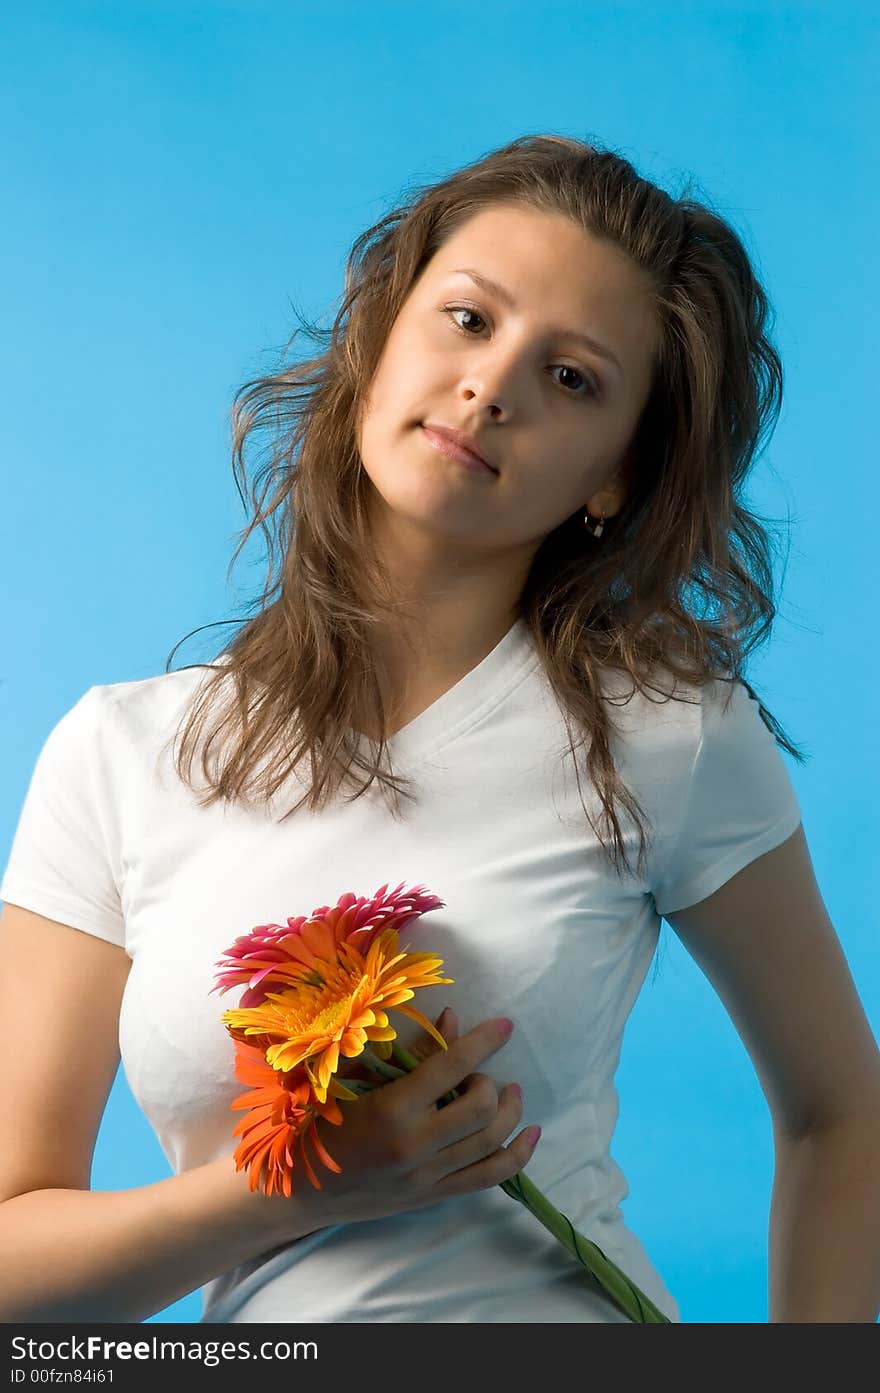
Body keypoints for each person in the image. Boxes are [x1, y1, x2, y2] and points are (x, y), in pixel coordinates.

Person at [2, 133, 879, 1326]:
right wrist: (286, 1189)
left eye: (572, 377)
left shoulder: (670, 735)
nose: (493, 386)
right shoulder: (117, 755)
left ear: (613, 476)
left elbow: (840, 1110)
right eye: (468, 320)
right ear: (379, 334)